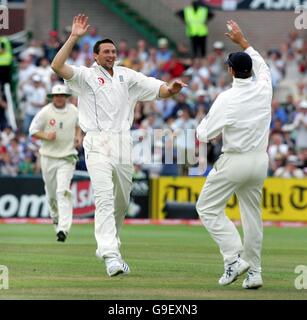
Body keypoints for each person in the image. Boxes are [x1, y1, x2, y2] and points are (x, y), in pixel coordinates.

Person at [50, 14, 186, 277]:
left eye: (114, 51)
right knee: (103, 198)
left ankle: (109, 246)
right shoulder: (85, 76)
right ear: (96, 56)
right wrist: (74, 37)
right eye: (106, 52)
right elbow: (57, 66)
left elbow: (160, 89)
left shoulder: (128, 76)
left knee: (121, 202)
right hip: (97, 141)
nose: (111, 55)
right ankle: (111, 255)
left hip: (123, 142)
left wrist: (173, 88)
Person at [196, 20, 272, 289]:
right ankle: (255, 273)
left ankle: (233, 258)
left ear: (230, 70)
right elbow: (263, 64)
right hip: (259, 161)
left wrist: (204, 123)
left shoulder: (226, 99)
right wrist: (243, 41)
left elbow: (204, 135)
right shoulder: (265, 87)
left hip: (235, 160)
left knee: (206, 208)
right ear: (249, 70)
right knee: (252, 217)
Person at [29, 84, 82, 242]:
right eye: (56, 96)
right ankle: (56, 219)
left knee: (62, 192)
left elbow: (79, 125)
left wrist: (78, 136)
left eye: (62, 96)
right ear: (52, 97)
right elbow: (33, 131)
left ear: (66, 97)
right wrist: (45, 136)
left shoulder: (74, 110)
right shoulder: (45, 112)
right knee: (52, 196)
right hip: (48, 157)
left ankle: (63, 229)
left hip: (67, 157)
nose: (59, 98)